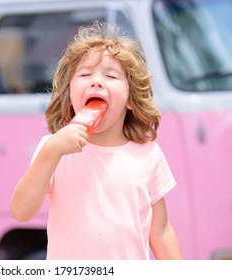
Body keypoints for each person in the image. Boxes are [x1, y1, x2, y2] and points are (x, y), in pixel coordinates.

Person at [10, 20, 182, 260]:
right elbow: (21, 212)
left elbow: (161, 231)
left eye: (111, 75)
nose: (96, 81)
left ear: (130, 100)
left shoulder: (148, 155)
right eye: (85, 74)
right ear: (70, 96)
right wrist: (51, 152)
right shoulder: (54, 149)